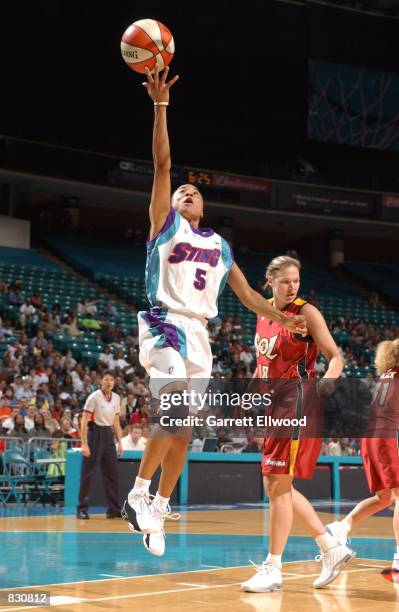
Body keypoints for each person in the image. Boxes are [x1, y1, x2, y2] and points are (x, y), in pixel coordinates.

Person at [121, 64, 307, 557]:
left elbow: (247, 296)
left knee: (183, 432)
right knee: (175, 407)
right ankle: (138, 493)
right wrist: (161, 106)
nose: (186, 192)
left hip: (200, 334)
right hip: (164, 322)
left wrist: (283, 314)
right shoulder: (165, 227)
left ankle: (157, 504)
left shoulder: (220, 245)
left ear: (203, 206)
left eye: (194, 192)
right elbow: (162, 166)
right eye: (182, 191)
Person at [241, 255, 354, 593]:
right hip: (275, 404)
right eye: (286, 281)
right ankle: (330, 547)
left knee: (276, 484)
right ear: (270, 281)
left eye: (296, 281)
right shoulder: (265, 315)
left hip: (297, 401)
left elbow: (335, 356)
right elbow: (263, 367)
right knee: (280, 486)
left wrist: (328, 381)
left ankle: (274, 567)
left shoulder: (306, 313)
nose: (292, 287)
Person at [325, 339, 399, 571]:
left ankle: (341, 527)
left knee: (384, 498)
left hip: (370, 438)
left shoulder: (386, 376)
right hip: (387, 437)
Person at [76, 371, 123, 519]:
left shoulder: (116, 398)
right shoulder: (94, 397)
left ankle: (113, 509)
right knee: (88, 473)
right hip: (94, 433)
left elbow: (116, 422)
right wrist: (84, 444)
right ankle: (82, 509)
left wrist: (120, 442)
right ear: (101, 381)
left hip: (108, 436)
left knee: (112, 474)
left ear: (114, 382)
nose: (109, 382)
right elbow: (83, 421)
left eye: (111, 379)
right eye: (106, 379)